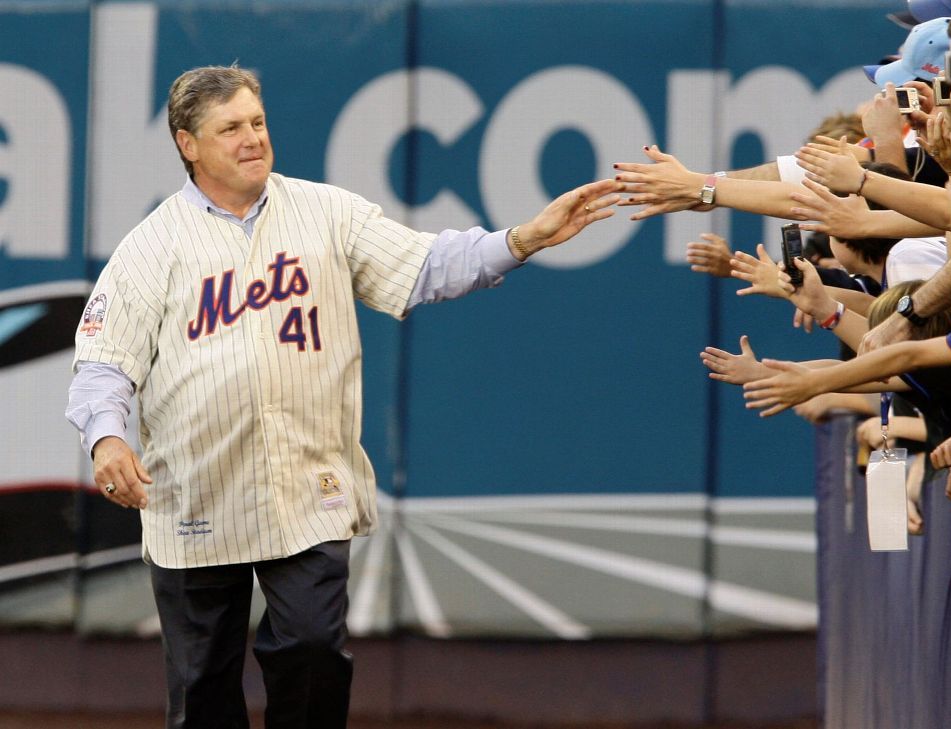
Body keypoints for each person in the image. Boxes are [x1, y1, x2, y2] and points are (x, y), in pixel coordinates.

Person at [63, 65, 620, 729]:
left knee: (313, 645)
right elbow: (102, 359)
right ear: (188, 143)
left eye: (258, 122)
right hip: (194, 491)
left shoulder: (325, 212)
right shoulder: (150, 247)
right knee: (204, 685)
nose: (252, 139)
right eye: (231, 128)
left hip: (307, 481)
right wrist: (106, 436)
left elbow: (424, 264)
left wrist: (520, 240)